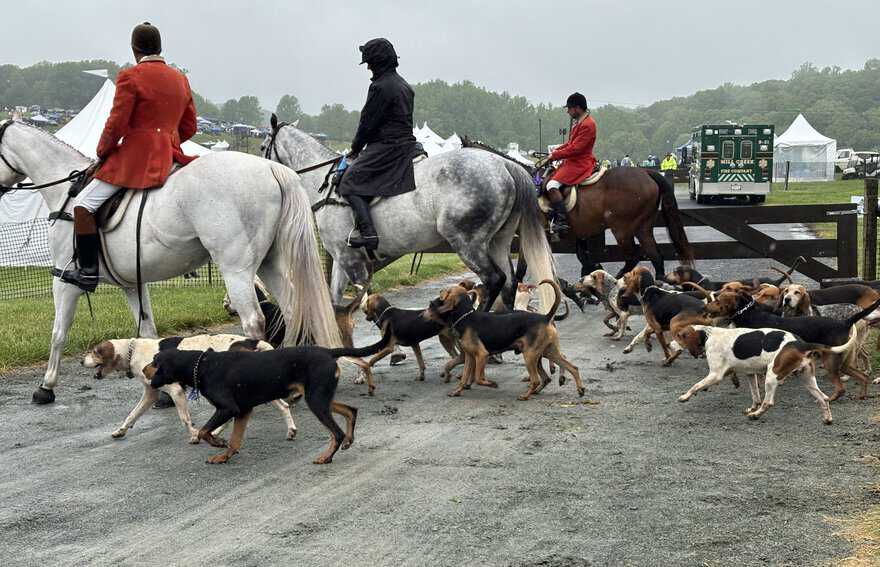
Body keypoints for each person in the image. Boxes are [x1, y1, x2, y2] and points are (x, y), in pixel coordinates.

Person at [61, 22, 197, 292]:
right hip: (171, 156)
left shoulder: (130, 76)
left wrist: (103, 152)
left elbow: (116, 125)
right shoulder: (180, 78)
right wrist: (167, 140)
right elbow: (190, 126)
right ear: (160, 48)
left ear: (135, 50)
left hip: (136, 160)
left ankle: (88, 272)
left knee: (83, 206)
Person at [337, 38, 423, 251]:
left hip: (386, 147)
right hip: (406, 144)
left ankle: (369, 234)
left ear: (378, 62)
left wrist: (355, 150)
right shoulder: (404, 85)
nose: (367, 67)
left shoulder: (380, 87)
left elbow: (367, 123)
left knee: (348, 182)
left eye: (369, 63)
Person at [535, 92, 596, 233]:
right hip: (573, 161)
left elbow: (576, 148)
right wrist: (553, 153)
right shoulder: (579, 123)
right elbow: (570, 144)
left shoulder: (588, 124)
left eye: (569, 108)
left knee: (551, 185)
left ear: (577, 108)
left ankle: (561, 220)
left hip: (580, 162)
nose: (568, 111)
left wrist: (555, 156)